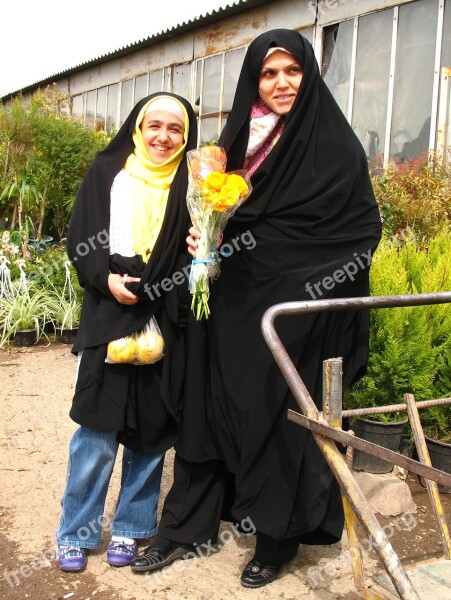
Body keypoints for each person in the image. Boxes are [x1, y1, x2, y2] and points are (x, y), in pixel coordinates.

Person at [129, 29, 382, 588]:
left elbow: (360, 231)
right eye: (269, 73)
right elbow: (206, 208)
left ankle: (276, 537)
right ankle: (186, 526)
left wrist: (258, 250)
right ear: (253, 80)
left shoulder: (333, 146)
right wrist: (200, 240)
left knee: (274, 415)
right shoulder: (237, 139)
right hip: (223, 304)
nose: (282, 83)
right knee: (206, 404)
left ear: (309, 74)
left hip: (290, 312)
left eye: (292, 70)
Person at [55, 92, 197, 571]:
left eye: (175, 129)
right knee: (96, 434)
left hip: (162, 318)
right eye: (154, 125)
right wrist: (106, 279)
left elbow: (189, 254)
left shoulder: (191, 183)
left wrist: (202, 247)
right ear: (138, 128)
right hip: (108, 317)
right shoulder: (107, 171)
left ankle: (133, 527)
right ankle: (76, 530)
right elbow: (81, 238)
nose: (163, 137)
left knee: (150, 435)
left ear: (186, 136)